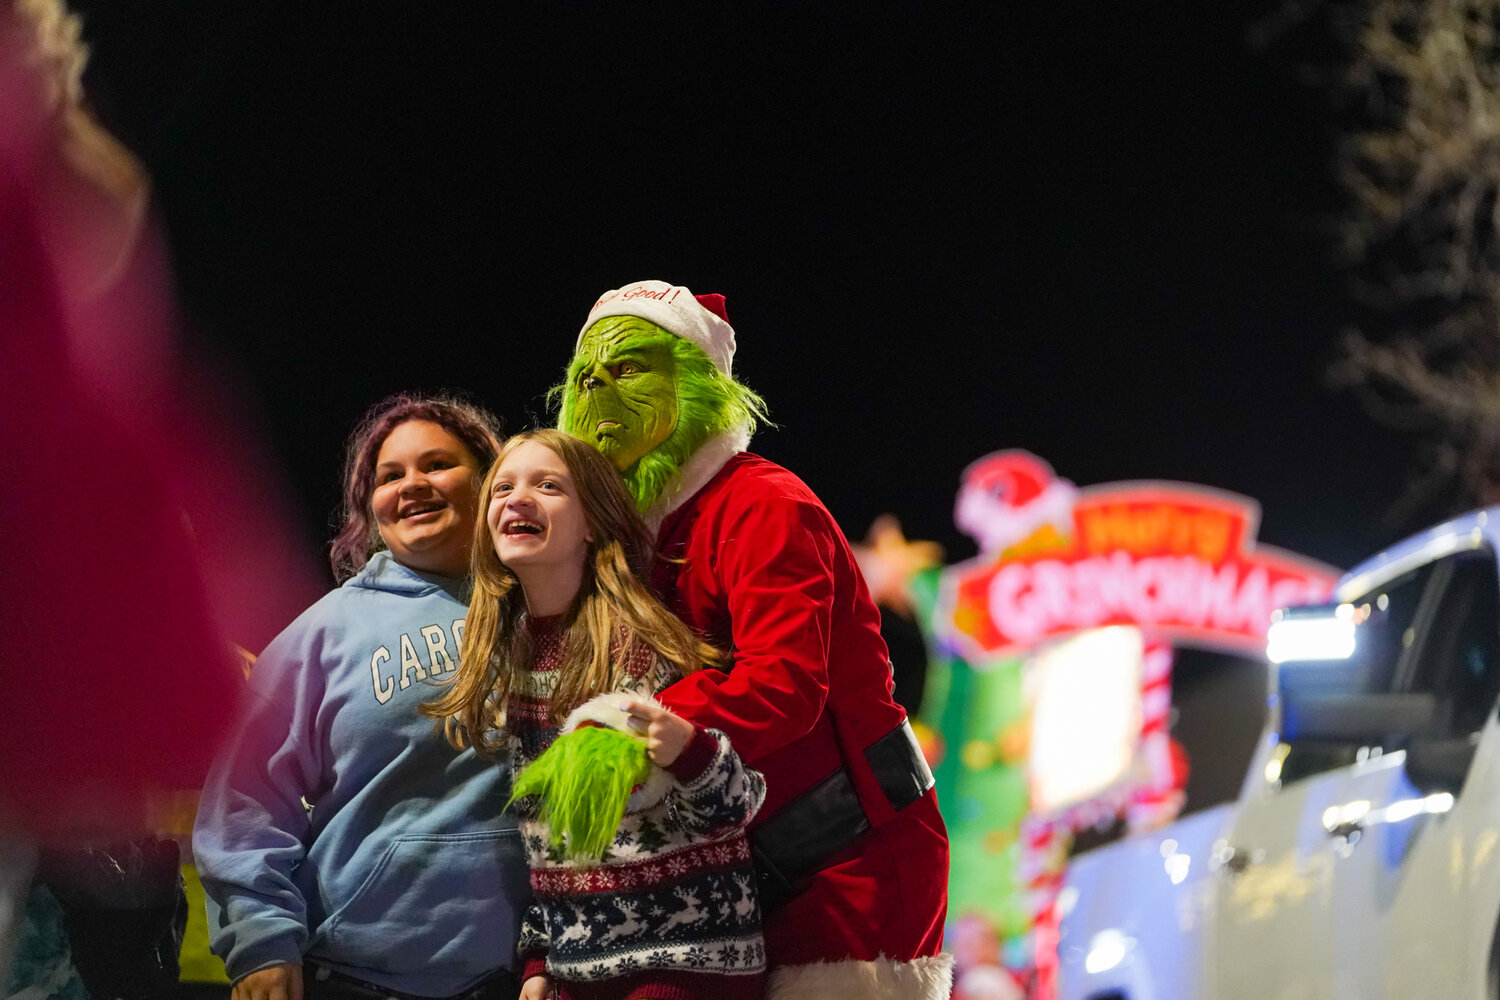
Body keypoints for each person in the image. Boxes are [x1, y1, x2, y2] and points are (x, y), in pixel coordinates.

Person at [557, 281, 953, 999]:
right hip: (746, 882)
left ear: (698, 382)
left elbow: (784, 685)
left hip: (847, 874)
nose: (601, 393)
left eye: (630, 368)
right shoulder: (631, 542)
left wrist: (625, 736)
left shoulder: (761, 504)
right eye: (587, 377)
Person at [193, 393, 530, 1000]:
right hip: (356, 977)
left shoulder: (545, 613)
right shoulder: (318, 637)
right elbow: (245, 802)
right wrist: (262, 941)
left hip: (524, 978)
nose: (413, 485)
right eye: (390, 475)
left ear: (490, 480)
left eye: (437, 465)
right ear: (369, 505)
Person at [423, 428, 767, 1000]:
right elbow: (549, 839)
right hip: (580, 973)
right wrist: (538, 958)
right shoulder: (515, 662)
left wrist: (690, 750)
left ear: (592, 524)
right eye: (502, 488)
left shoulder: (644, 644)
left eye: (548, 485)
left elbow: (735, 807)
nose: (517, 498)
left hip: (685, 965)